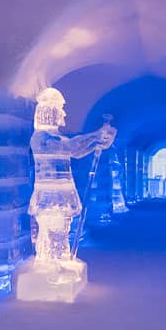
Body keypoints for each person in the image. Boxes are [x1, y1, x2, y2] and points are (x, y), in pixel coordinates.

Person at [28, 88, 116, 275]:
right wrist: (95, 136)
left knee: (63, 229)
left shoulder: (56, 137)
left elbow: (76, 152)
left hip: (61, 192)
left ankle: (60, 259)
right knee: (51, 230)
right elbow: (70, 146)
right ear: (50, 111)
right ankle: (48, 263)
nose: (64, 113)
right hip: (49, 194)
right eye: (60, 108)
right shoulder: (41, 138)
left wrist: (98, 142)